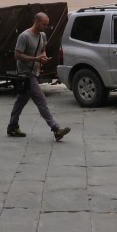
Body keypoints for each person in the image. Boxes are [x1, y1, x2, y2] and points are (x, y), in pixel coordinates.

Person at [7, 11, 71, 141]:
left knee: (21, 101)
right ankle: (56, 129)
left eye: (47, 24)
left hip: (34, 73)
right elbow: (17, 55)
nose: (46, 27)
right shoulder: (24, 36)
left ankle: (12, 126)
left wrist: (43, 56)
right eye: (44, 24)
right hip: (25, 74)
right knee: (41, 100)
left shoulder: (42, 35)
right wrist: (36, 59)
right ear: (36, 22)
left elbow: (42, 49)